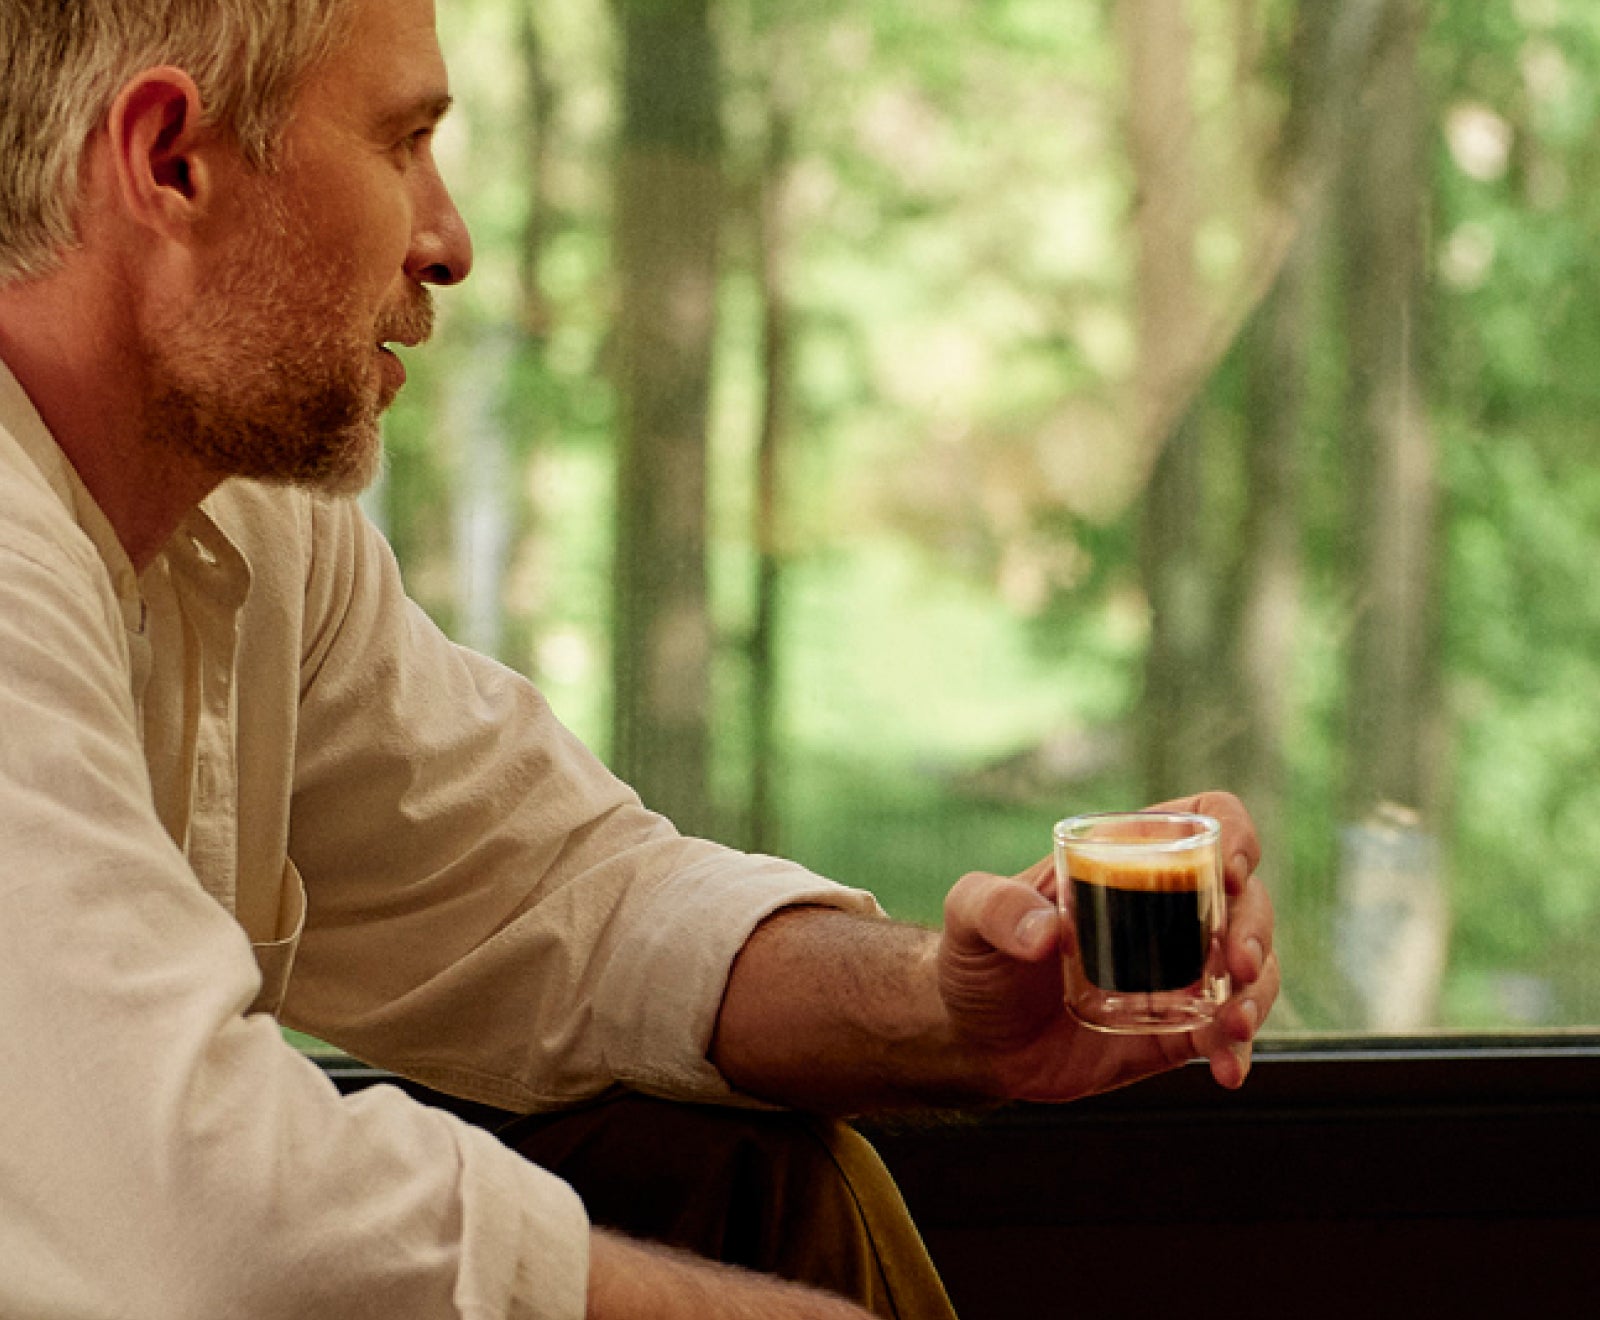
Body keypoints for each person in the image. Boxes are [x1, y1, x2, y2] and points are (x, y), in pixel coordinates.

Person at [0, 1, 1280, 1317]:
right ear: (169, 161)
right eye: (403, 145)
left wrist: (953, 1015)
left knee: (756, 1180)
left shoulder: (248, 527)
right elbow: (199, 1214)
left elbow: (570, 911)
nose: (450, 245)